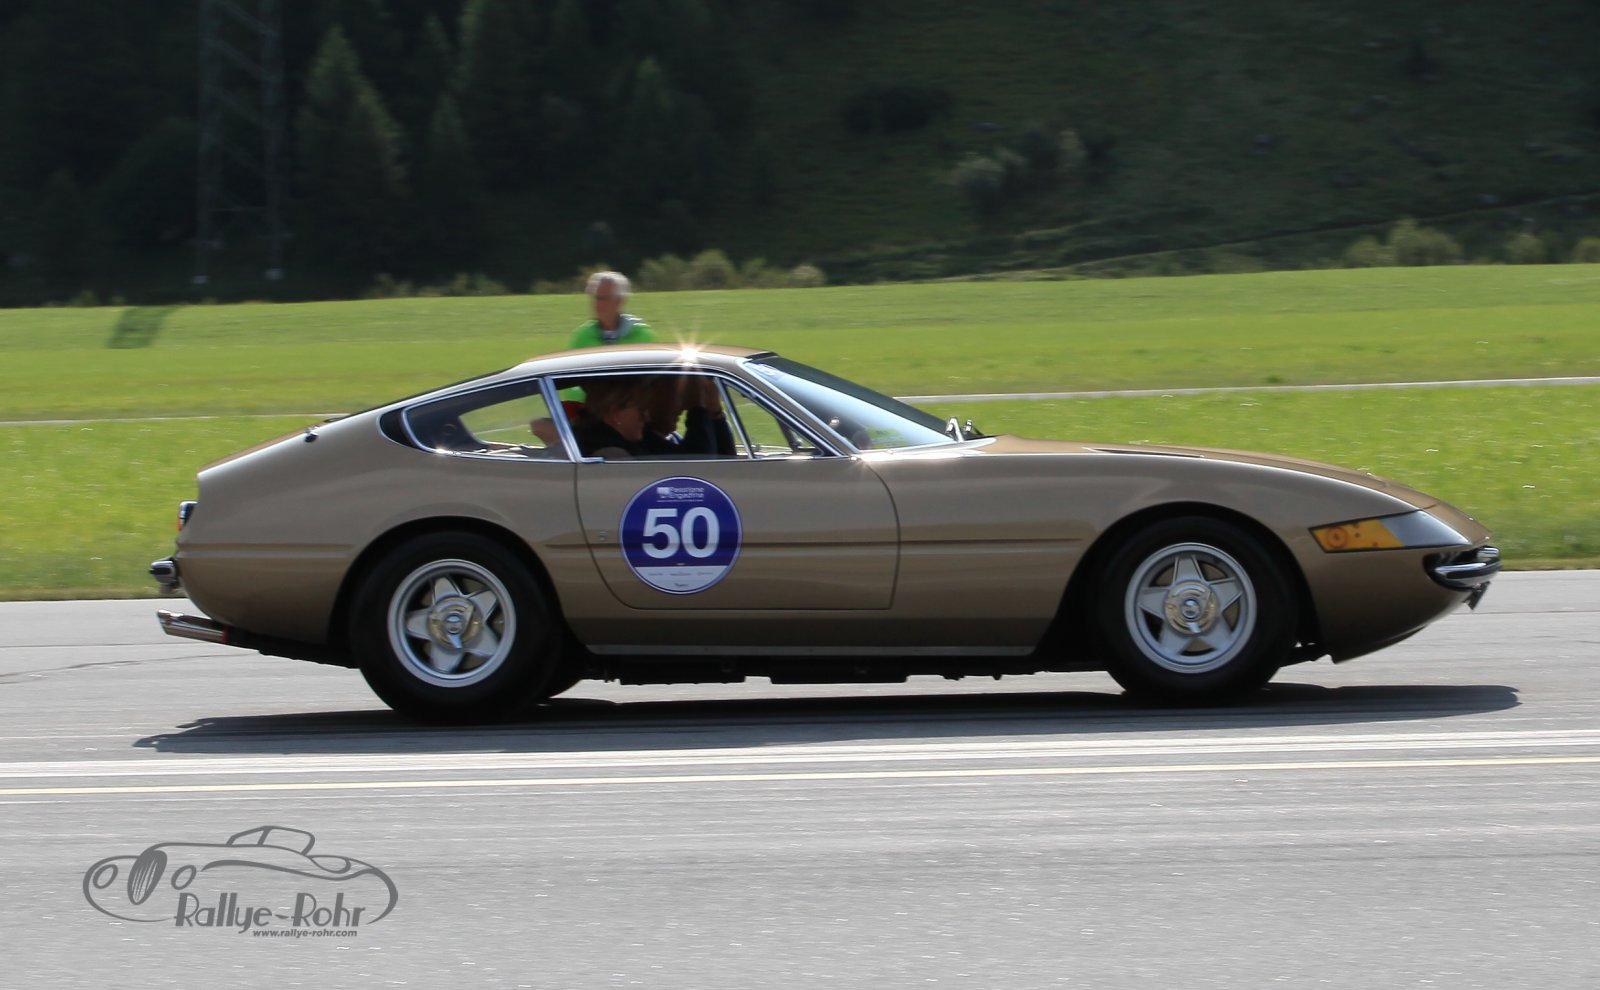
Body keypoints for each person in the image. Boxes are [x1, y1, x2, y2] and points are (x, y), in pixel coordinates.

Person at [639, 376, 737, 457]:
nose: (682, 407)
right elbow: (701, 463)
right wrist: (697, 405)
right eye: (676, 395)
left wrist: (716, 413)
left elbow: (726, 461)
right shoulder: (645, 444)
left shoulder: (673, 438)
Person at [569, 377, 655, 458]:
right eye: (641, 410)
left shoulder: (583, 440)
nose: (647, 418)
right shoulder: (613, 455)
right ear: (615, 414)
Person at [569, 271, 656, 348]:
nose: (598, 304)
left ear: (619, 301)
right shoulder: (583, 336)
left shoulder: (641, 335)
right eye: (596, 298)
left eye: (604, 299)